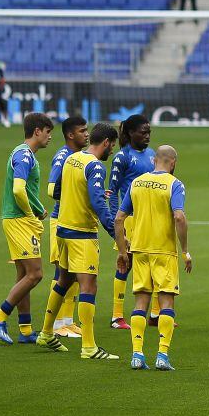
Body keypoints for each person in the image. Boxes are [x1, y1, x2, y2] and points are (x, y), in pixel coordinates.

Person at [35, 122, 120, 360]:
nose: (111, 151)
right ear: (105, 142)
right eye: (111, 146)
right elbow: (98, 203)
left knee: (63, 281)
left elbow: (59, 189)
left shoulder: (72, 158)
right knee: (88, 287)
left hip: (62, 229)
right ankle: (89, 347)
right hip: (82, 235)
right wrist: (115, 233)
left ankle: (45, 333)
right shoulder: (95, 166)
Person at [115, 145, 192, 371]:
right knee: (166, 301)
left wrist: (122, 250)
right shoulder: (174, 184)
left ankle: (137, 355)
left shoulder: (136, 183)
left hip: (139, 250)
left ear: (154, 161)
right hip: (164, 251)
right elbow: (179, 216)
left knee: (141, 301)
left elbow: (119, 219)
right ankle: (162, 355)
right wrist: (185, 250)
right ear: (173, 162)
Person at [0, 112, 53, 345]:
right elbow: (18, 189)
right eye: (47, 132)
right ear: (37, 131)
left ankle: (25, 329)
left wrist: (38, 208)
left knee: (23, 275)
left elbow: (25, 191)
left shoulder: (24, 154)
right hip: (18, 221)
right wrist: (29, 215)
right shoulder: (24, 155)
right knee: (36, 274)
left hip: (19, 218)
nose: (49, 137)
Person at [108, 115, 157, 330]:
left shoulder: (153, 155)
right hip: (130, 219)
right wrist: (114, 225)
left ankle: (155, 314)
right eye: (142, 132)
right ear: (129, 133)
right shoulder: (122, 157)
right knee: (125, 264)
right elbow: (112, 192)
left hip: (151, 219)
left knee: (155, 263)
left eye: (149, 132)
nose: (147, 136)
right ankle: (117, 316)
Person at [46, 115, 89, 339]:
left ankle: (67, 321)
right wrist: (74, 196)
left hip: (72, 219)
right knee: (61, 271)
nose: (87, 134)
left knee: (71, 273)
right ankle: (55, 325)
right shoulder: (63, 156)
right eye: (82, 131)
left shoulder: (79, 156)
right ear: (71, 135)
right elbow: (51, 189)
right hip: (60, 219)